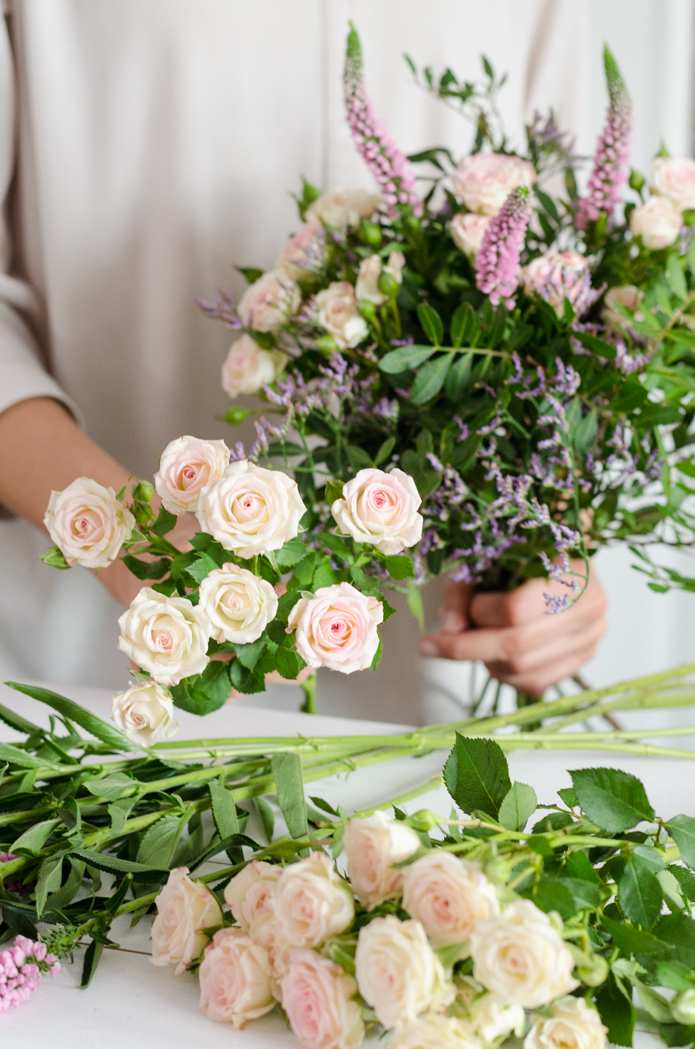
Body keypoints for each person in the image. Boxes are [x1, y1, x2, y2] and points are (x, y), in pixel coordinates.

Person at [0, 0, 606, 719]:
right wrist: (129, 533)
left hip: (438, 701)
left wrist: (558, 570)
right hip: (102, 666)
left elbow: (562, 302)